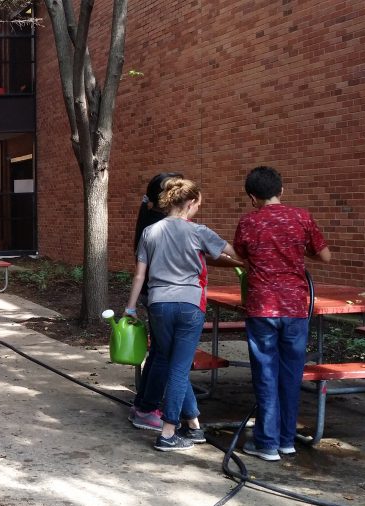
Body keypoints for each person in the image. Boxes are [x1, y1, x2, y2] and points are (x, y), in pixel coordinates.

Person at [125, 178, 243, 451]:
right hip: (189, 305)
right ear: (189, 203)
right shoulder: (199, 232)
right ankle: (168, 433)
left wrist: (130, 308)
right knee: (179, 369)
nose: (197, 210)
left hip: (158, 305)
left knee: (171, 363)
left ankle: (193, 426)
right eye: (197, 205)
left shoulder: (149, 232)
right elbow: (235, 253)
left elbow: (140, 274)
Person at [233, 166, 330, 461]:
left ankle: (266, 442)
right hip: (296, 309)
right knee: (290, 374)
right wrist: (299, 251)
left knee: (265, 374)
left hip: (262, 307)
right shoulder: (302, 217)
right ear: (281, 190)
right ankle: (286, 440)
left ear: (252, 197)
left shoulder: (249, 222)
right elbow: (325, 255)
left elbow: (239, 256)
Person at [129, 172, 182, 431]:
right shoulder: (163, 225)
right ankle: (148, 408)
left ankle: (142, 404)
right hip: (164, 296)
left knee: (159, 351)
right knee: (163, 354)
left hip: (154, 294)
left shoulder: (150, 221)